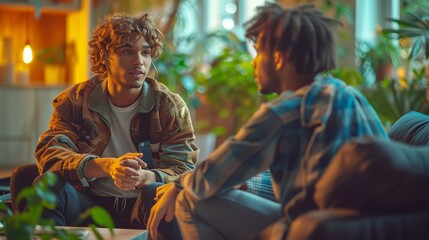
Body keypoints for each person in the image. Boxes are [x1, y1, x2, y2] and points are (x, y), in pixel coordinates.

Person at [147, 3, 388, 240]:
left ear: (279, 58)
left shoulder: (283, 112)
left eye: (259, 51)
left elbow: (207, 180)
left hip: (312, 230)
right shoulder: (350, 95)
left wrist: (178, 185)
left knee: (189, 199)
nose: (254, 62)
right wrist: (242, 184)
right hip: (369, 228)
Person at [34, 12, 198, 239]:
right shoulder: (75, 100)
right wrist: (107, 166)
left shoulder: (168, 106)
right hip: (89, 204)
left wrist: (146, 177)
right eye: (127, 50)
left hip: (142, 206)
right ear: (105, 56)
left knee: (163, 194)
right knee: (47, 184)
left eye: (146, 52)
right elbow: (50, 153)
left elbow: (184, 170)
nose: (139, 61)